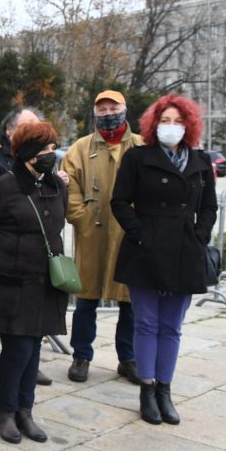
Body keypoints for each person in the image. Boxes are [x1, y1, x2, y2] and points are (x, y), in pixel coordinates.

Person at [110, 95, 217, 426]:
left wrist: (199, 236)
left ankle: (165, 390)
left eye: (177, 121)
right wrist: (141, 235)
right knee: (145, 323)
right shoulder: (138, 157)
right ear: (154, 126)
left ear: (188, 126)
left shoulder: (201, 160)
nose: (171, 127)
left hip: (185, 251)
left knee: (172, 326)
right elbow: (120, 202)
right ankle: (146, 388)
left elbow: (209, 207)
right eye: (165, 121)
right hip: (146, 251)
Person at [0, 121, 69, 444]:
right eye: (44, 150)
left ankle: (26, 411)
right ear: (26, 153)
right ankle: (6, 411)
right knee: (17, 351)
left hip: (44, 284)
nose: (51, 155)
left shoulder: (56, 186)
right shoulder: (2, 188)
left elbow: (58, 226)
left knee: (34, 349)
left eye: (53, 148)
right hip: (10, 285)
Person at [0, 107, 53, 387]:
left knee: (30, 310)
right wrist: (9, 189)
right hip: (1, 242)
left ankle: (28, 363)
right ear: (9, 131)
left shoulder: (42, 159)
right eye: (27, 127)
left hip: (31, 251)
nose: (33, 133)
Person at [62, 90, 142, 384]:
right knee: (86, 301)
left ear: (125, 109)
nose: (108, 113)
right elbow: (69, 189)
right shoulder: (80, 149)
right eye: (103, 108)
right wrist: (81, 218)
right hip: (92, 236)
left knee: (130, 302)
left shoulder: (142, 146)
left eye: (114, 107)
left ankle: (128, 358)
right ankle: (81, 356)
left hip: (130, 238)